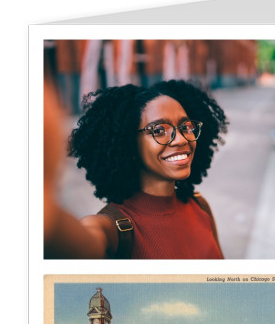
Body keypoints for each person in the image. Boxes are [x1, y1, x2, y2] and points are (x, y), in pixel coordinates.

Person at [45, 79, 228, 259]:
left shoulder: (200, 206)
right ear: (129, 144)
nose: (181, 139)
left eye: (186, 126)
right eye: (159, 130)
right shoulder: (111, 229)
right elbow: (69, 242)